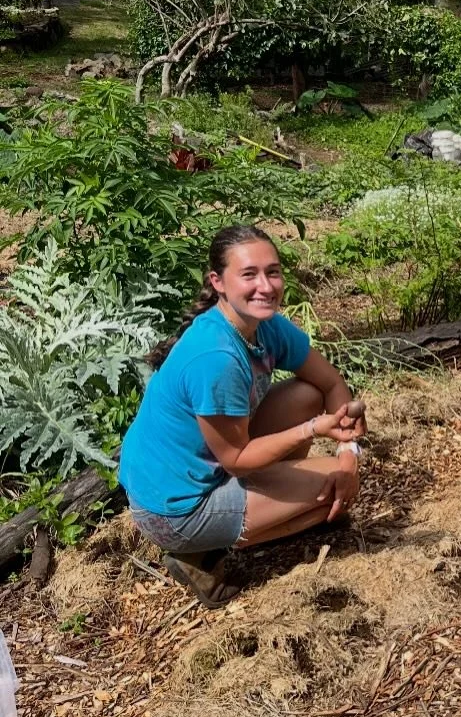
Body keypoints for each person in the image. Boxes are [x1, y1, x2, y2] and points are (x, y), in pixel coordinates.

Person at [119, 224, 366, 607]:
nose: (265, 286)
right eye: (249, 274)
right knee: (330, 495)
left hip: (201, 465)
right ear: (217, 282)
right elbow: (235, 459)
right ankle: (198, 555)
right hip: (174, 508)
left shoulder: (264, 327)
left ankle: (268, 502)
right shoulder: (216, 357)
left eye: (273, 272)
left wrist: (350, 453)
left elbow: (331, 383)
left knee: (308, 396)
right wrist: (313, 430)